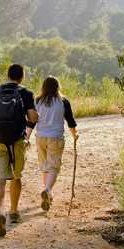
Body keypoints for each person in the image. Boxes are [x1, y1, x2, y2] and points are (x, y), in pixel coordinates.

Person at [0, 64, 38, 237]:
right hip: (17, 141)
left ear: (7, 75)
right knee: (16, 176)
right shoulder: (26, 93)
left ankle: (0, 212)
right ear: (22, 77)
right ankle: (13, 210)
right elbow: (33, 117)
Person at [26, 76, 78, 212]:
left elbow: (31, 121)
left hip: (41, 137)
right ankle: (48, 190)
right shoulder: (63, 101)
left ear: (43, 87)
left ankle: (48, 194)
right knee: (54, 167)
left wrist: (27, 137)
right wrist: (74, 135)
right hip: (55, 137)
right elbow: (70, 121)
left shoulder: (37, 101)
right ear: (57, 87)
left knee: (45, 166)